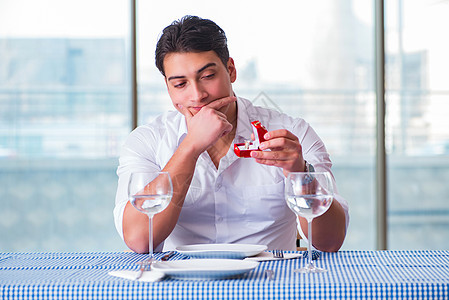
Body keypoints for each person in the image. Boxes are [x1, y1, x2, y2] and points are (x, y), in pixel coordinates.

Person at [114, 15, 349, 254]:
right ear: (168, 87)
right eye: (180, 84)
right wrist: (191, 147)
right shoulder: (147, 141)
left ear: (231, 70)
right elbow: (140, 239)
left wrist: (299, 173)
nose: (197, 95)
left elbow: (330, 241)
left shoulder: (293, 134)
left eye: (207, 77)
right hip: (182, 286)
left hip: (272, 284)